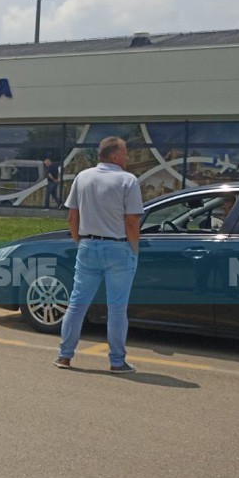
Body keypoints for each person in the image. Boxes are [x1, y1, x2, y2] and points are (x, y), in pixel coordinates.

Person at [55, 136, 144, 373]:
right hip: (118, 247)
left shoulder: (82, 177)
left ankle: (64, 356)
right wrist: (133, 249)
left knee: (77, 304)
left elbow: (72, 217)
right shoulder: (128, 180)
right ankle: (116, 361)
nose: (127, 156)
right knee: (116, 308)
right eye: (125, 152)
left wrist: (79, 241)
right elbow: (133, 221)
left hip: (87, 246)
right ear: (115, 156)